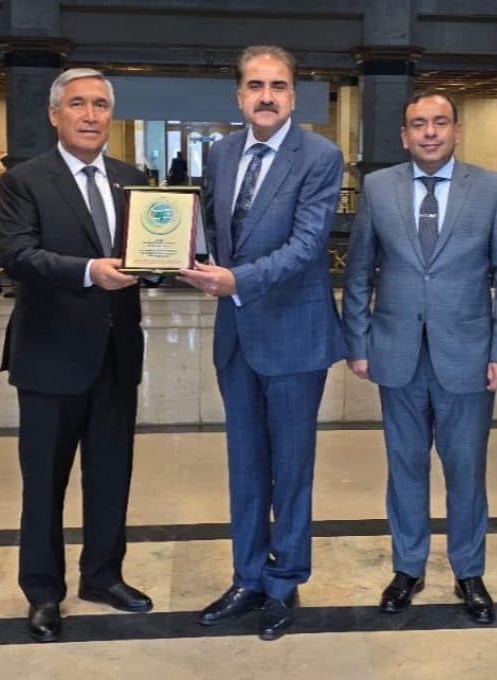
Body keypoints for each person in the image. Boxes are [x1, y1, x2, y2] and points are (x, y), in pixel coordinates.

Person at [178, 44, 345, 641]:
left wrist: (235, 281)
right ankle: (248, 576)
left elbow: (307, 246)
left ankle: (284, 583)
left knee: (291, 470)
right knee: (245, 467)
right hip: (236, 336)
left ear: (294, 96)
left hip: (294, 334)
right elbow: (218, 230)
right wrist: (186, 257)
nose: (266, 96)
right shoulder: (221, 153)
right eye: (255, 86)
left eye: (277, 86)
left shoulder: (320, 157)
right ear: (240, 95)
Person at [342, 92, 497, 625]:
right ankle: (408, 568)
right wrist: (358, 342)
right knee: (405, 467)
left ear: (457, 131)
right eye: (419, 124)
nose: (430, 132)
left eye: (440, 122)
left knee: (466, 469)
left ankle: (469, 571)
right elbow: (359, 271)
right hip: (395, 354)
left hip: (468, 356)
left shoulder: (491, 188)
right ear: (404, 136)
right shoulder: (379, 188)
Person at [0, 68, 151, 644]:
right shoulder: (25, 180)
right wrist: (89, 271)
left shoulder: (131, 179)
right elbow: (17, 255)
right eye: (79, 104)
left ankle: (103, 575)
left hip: (116, 354)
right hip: (48, 357)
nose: (91, 115)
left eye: (101, 105)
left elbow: (143, 253)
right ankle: (42, 591)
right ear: (55, 113)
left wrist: (160, 264)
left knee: (111, 476)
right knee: (44, 484)